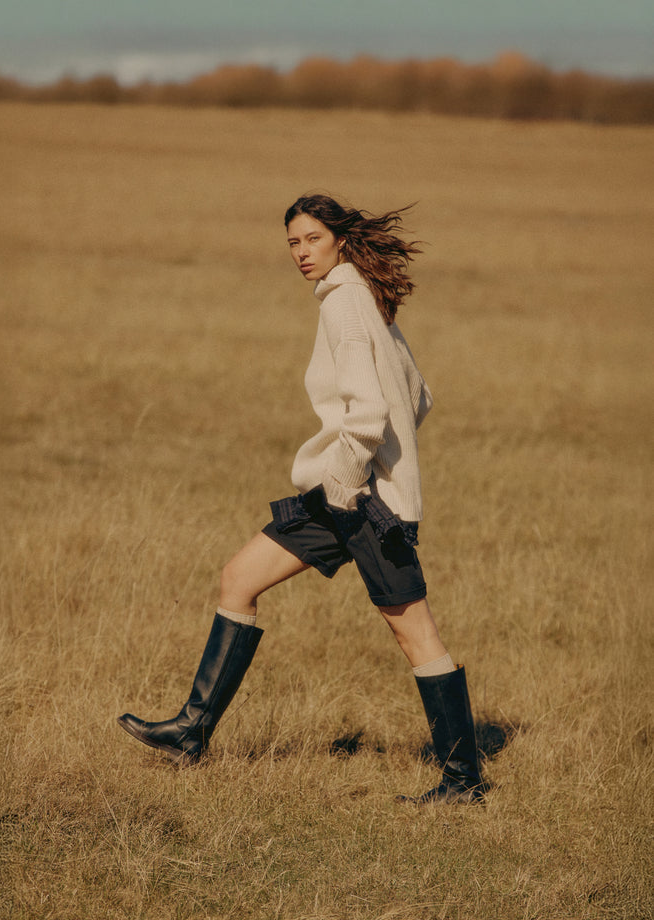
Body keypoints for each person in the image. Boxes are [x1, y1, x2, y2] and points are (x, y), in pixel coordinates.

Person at [118, 193, 485, 805]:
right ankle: (190, 733)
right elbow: (418, 395)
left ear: (340, 239)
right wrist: (364, 468)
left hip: (363, 506)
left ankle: (463, 782)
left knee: (415, 634)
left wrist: (352, 479)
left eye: (312, 239)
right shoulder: (362, 295)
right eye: (293, 242)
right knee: (238, 579)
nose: (301, 252)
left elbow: (370, 412)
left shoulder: (345, 302)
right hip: (342, 495)